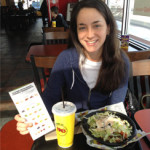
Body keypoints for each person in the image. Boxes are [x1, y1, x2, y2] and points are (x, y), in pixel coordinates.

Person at [15, 0, 130, 135]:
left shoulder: (121, 61)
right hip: (72, 128)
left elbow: (115, 107)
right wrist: (31, 118)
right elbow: (50, 96)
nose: (90, 34)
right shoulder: (65, 59)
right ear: (75, 31)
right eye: (82, 27)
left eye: (97, 25)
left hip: (105, 130)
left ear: (108, 28)